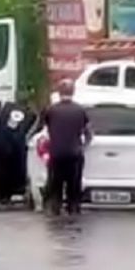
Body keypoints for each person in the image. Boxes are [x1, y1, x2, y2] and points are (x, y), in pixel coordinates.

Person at [43, 79, 92, 215]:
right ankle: (73, 209)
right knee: (74, 186)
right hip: (75, 154)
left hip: (56, 153)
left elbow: (46, 128)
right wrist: (83, 146)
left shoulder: (51, 110)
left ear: (59, 92)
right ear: (73, 92)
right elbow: (88, 133)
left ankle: (56, 209)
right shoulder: (80, 110)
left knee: (56, 185)